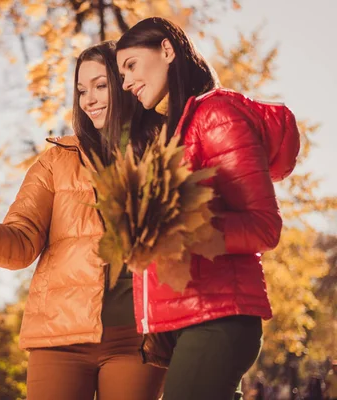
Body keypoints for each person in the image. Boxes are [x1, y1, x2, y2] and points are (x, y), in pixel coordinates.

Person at [0, 41, 166, 400]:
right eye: (81, 90)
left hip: (136, 340)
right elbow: (19, 245)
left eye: (101, 86)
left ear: (126, 83)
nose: (88, 99)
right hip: (59, 337)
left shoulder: (165, 151)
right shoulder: (55, 162)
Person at [115, 17, 300, 400]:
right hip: (191, 320)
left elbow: (265, 227)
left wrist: (183, 225)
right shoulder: (176, 130)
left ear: (167, 50)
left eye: (130, 65)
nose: (125, 83)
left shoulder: (216, 115)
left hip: (219, 317)